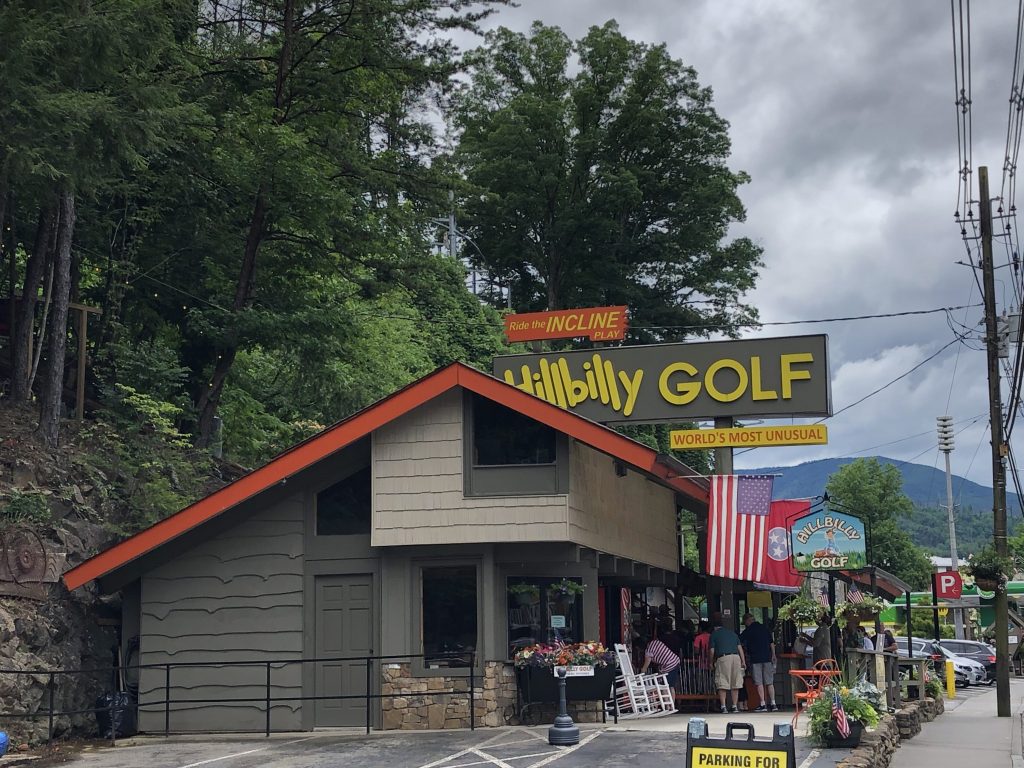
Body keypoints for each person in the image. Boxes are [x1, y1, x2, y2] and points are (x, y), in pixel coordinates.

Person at [740, 612, 778, 712]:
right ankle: (773, 704)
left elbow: (739, 641)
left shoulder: (748, 630)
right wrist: (773, 655)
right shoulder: (765, 628)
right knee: (770, 682)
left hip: (755, 659)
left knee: (759, 682)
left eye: (745, 622)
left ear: (748, 621)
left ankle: (763, 704)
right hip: (767, 658)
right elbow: (771, 643)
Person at [709, 612, 746, 714]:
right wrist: (743, 661)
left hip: (723, 658)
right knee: (736, 683)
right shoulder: (732, 633)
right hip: (736, 657)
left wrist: (711, 662)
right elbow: (740, 648)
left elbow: (712, 650)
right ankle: (734, 706)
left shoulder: (714, 634)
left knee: (722, 682)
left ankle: (723, 706)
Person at [641, 620, 682, 694]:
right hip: (675, 661)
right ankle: (670, 704)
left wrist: (639, 677)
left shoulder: (650, 649)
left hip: (669, 664)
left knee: (665, 685)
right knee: (670, 686)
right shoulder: (658, 641)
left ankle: (669, 704)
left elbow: (645, 667)